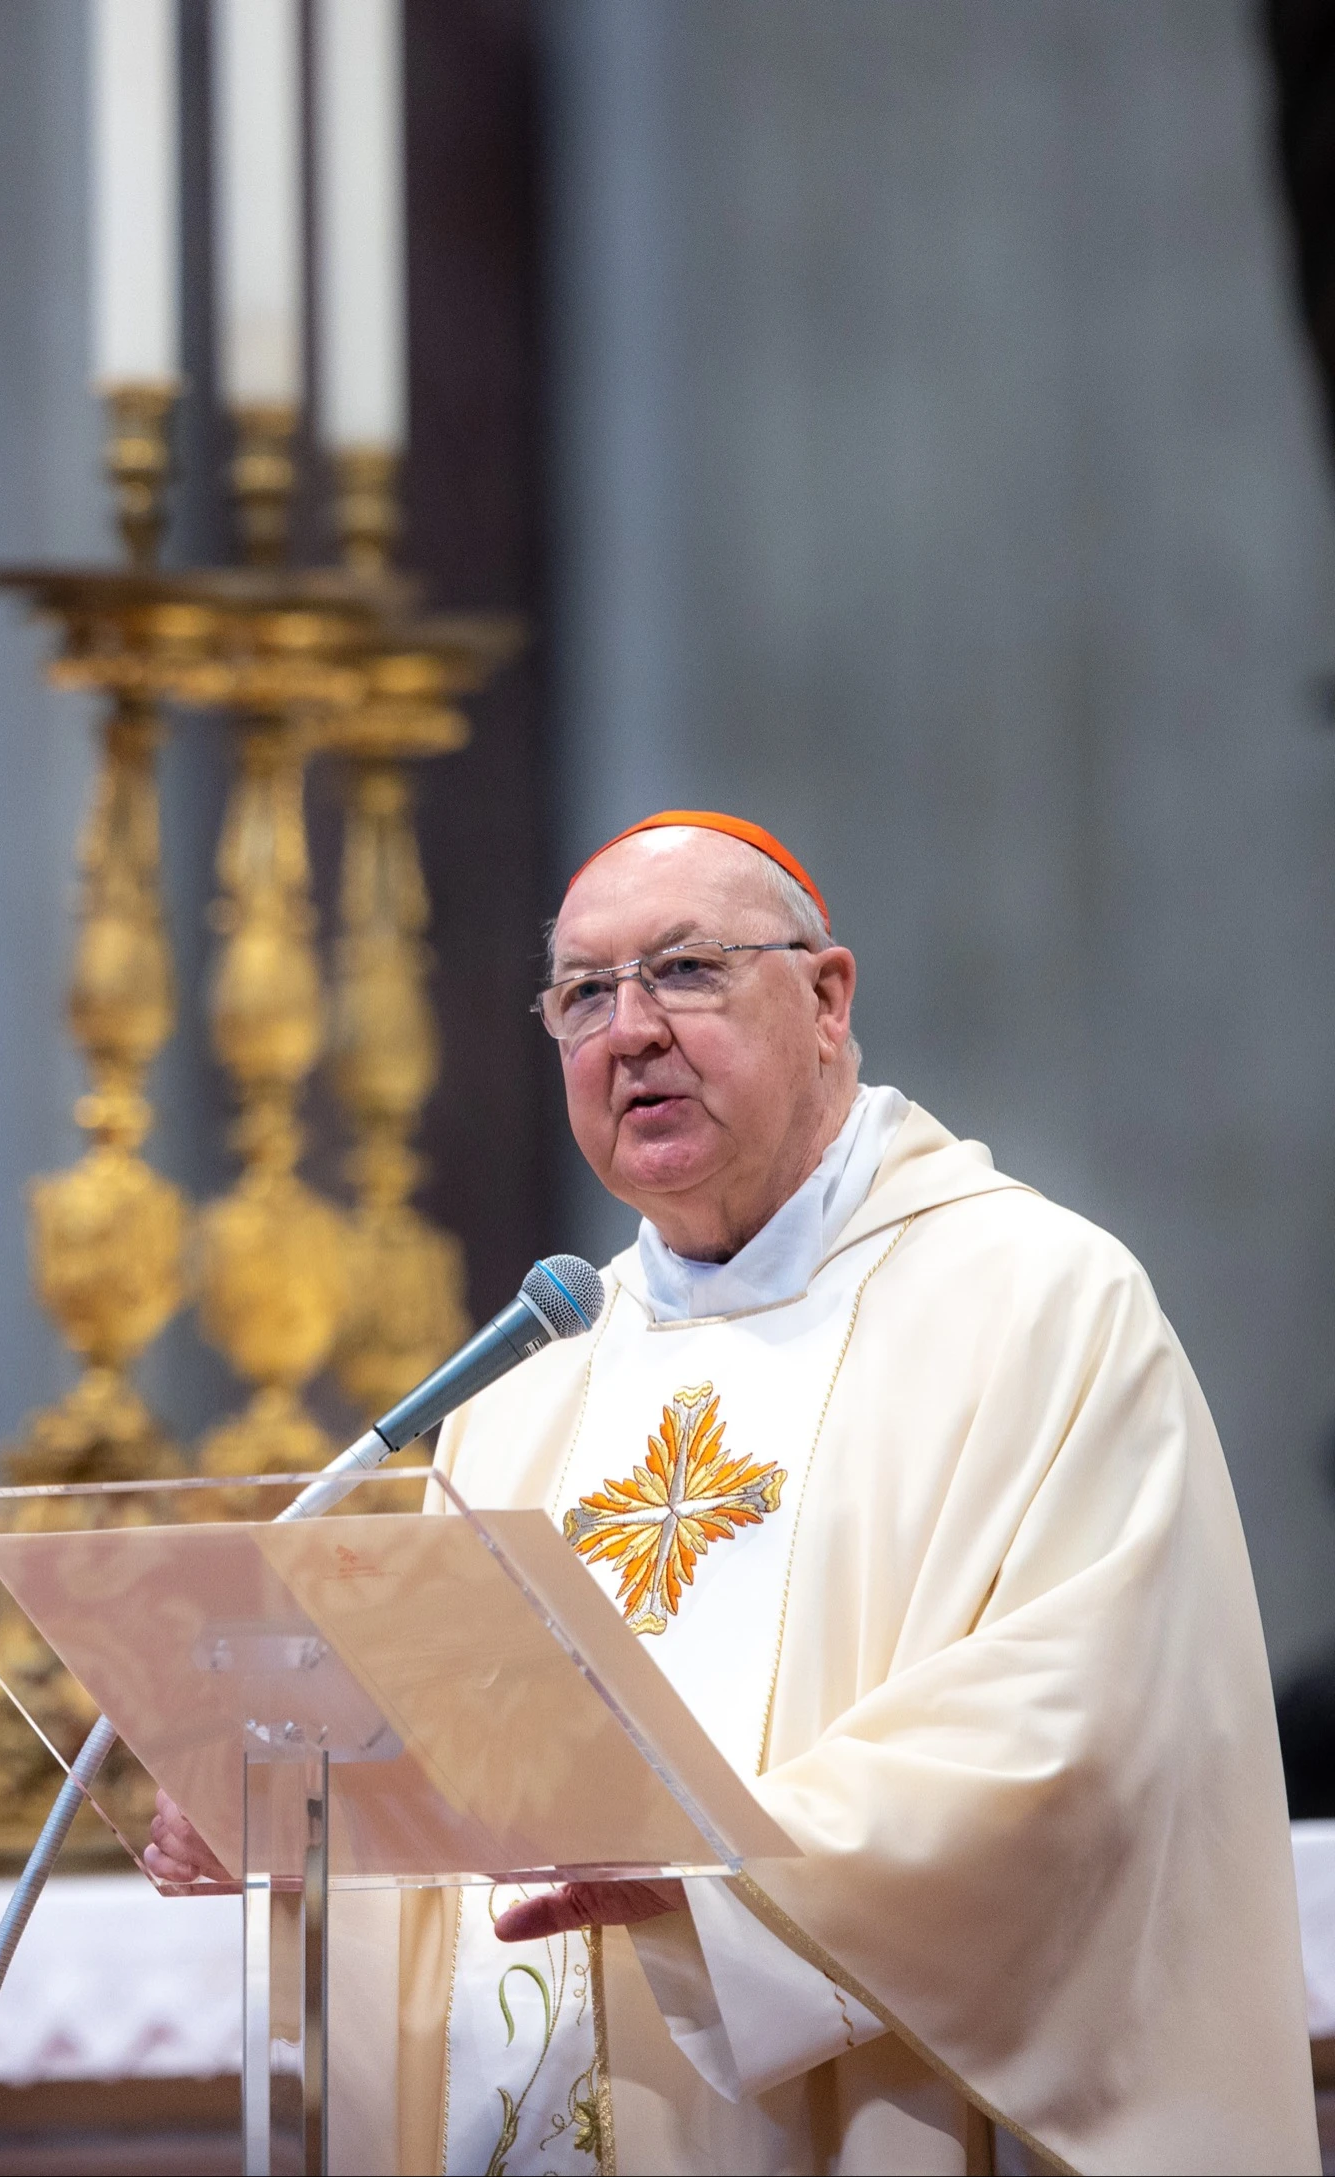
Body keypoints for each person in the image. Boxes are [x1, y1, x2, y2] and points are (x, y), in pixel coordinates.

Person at [144, 812, 1313, 2173]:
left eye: (686, 970)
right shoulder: (533, 1375)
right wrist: (296, 1821)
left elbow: (1086, 1737)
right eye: (583, 993)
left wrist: (725, 1880)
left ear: (828, 999)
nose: (628, 1029)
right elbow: (447, 1788)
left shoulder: (1038, 1304)